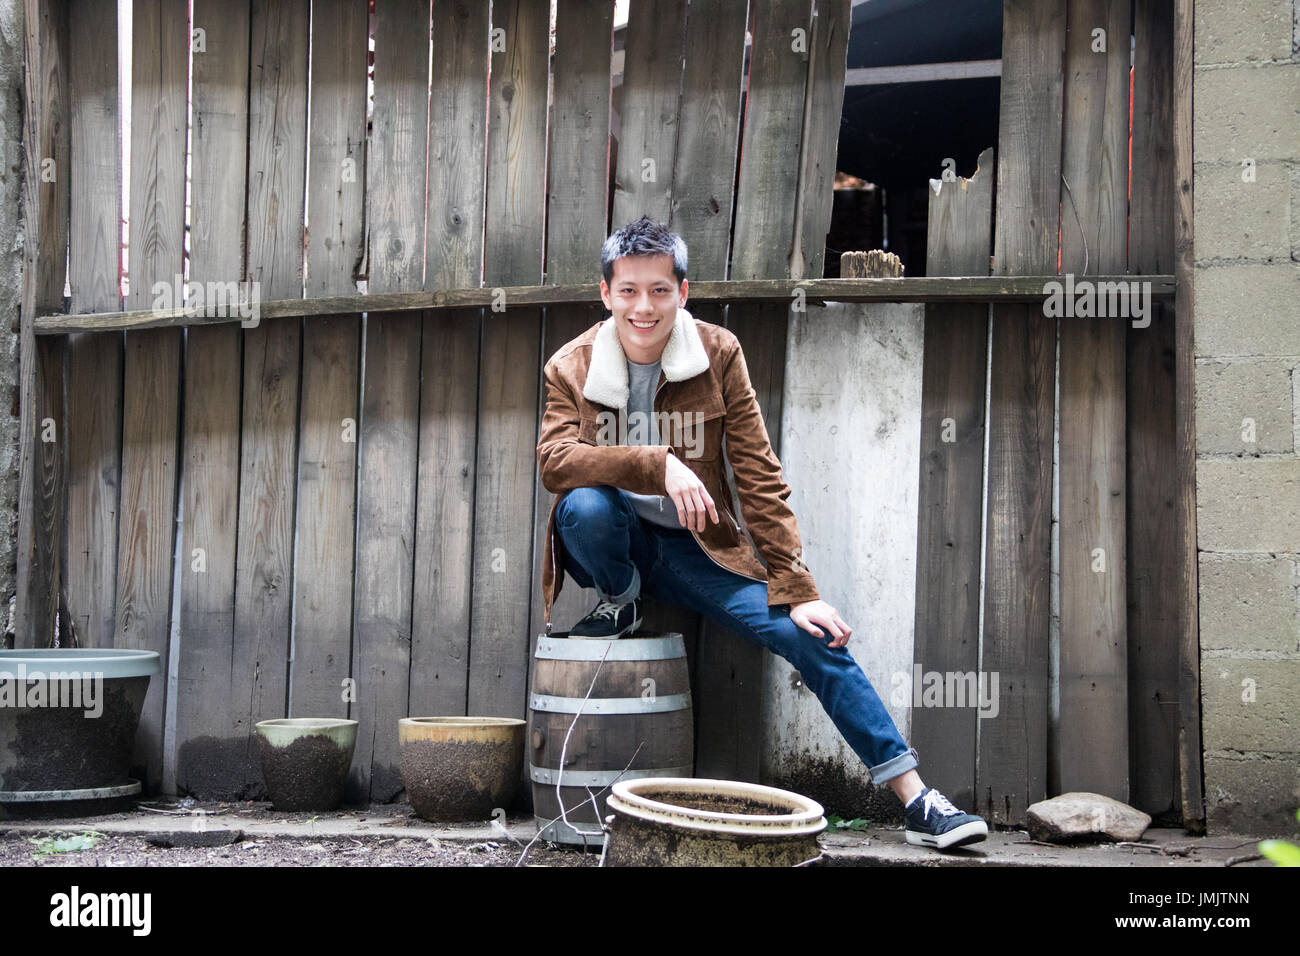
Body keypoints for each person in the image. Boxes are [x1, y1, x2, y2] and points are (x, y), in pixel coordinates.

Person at [535, 216, 988, 850]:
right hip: (615, 537)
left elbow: (758, 476)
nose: (645, 306)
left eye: (660, 290)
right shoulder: (572, 364)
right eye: (630, 290)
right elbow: (556, 459)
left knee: (813, 638)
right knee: (582, 505)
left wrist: (797, 588)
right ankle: (624, 596)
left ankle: (918, 801)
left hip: (703, 548)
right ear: (605, 293)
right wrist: (656, 462)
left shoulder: (717, 354)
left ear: (683, 292)